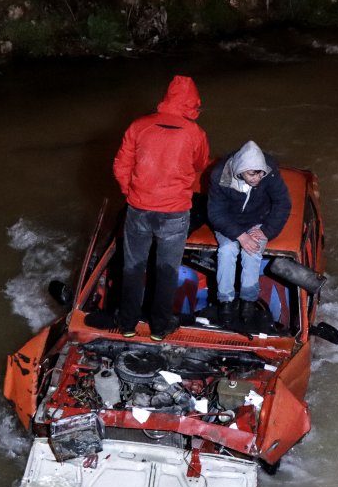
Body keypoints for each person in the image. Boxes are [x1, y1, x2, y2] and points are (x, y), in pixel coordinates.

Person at [112, 75, 209, 340]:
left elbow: (121, 165)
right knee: (167, 271)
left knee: (132, 268)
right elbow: (200, 164)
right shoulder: (195, 133)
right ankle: (159, 327)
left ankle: (128, 324)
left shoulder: (139, 125)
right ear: (193, 104)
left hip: (139, 209)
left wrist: (131, 192)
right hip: (175, 213)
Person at [207, 140, 290, 326]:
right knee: (227, 251)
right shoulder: (219, 176)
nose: (258, 177)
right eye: (252, 173)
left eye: (261, 172)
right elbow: (215, 213)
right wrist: (240, 235)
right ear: (239, 170)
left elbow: (282, 203)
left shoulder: (270, 171)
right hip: (229, 221)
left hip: (258, 220)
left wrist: (266, 230)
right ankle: (226, 301)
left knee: (252, 252)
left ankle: (248, 301)